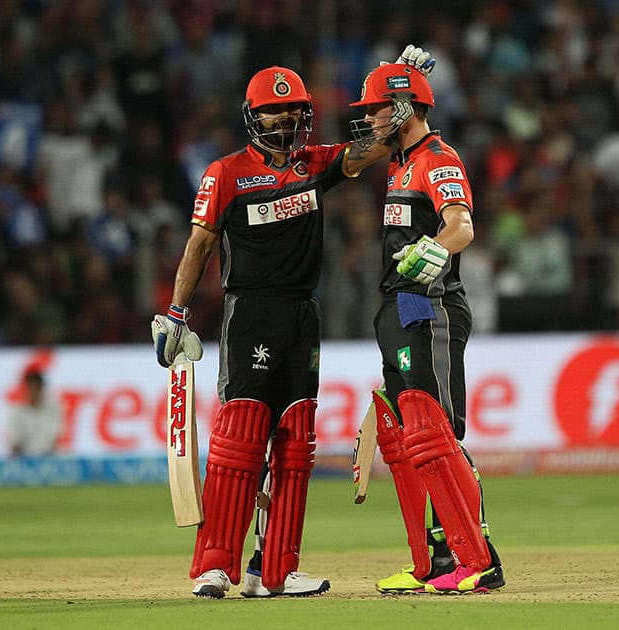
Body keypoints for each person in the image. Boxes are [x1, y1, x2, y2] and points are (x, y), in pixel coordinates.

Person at [151, 48, 435, 599]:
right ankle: (214, 565)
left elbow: (376, 147)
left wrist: (406, 92)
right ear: (252, 116)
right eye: (273, 112)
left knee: (296, 441)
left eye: (295, 111)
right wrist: (176, 312)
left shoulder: (316, 164)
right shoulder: (226, 174)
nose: (285, 121)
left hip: (302, 314)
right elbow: (199, 245)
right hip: (249, 313)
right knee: (240, 440)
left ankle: (275, 569)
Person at [349, 63, 505, 594]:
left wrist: (436, 247)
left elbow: (461, 224)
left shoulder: (438, 158)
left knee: (436, 435)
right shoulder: (400, 162)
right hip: (397, 306)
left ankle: (479, 558)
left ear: (404, 109)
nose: (368, 118)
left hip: (428, 305)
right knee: (411, 440)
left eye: (376, 108)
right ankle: (434, 562)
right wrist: (403, 74)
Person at [6, 370, 63, 457]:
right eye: (30, 388)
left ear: (41, 388)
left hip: (49, 457)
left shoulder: (53, 410)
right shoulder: (17, 412)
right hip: (24, 459)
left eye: (36, 388)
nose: (33, 392)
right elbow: (14, 441)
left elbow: (56, 438)